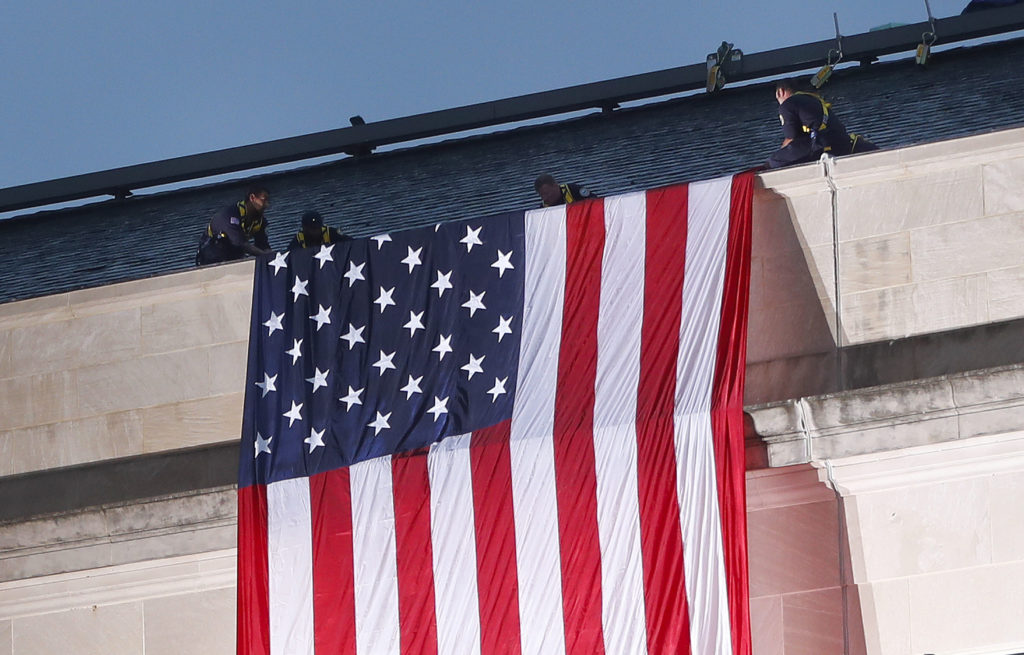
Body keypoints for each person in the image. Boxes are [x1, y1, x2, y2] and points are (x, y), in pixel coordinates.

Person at [767, 78, 878, 169]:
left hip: (821, 144)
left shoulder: (787, 104)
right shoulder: (813, 99)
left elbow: (791, 138)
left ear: (780, 92)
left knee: (775, 161)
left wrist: (779, 155)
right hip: (841, 141)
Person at [196, 186, 273, 265]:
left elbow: (263, 245)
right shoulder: (229, 215)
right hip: (211, 256)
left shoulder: (259, 221)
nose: (267, 205)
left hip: (233, 256)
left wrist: (273, 257)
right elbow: (240, 243)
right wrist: (265, 255)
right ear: (252, 198)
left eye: (268, 201)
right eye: (264, 200)